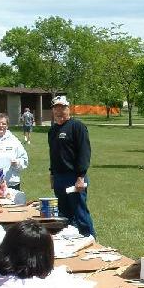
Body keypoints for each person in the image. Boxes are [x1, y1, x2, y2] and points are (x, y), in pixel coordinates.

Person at [48, 95, 95, 237]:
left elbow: (84, 153)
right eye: (56, 108)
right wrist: (52, 174)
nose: (59, 111)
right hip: (59, 178)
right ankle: (71, 239)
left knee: (79, 211)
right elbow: (53, 154)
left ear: (68, 109)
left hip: (74, 177)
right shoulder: (52, 130)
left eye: (62, 108)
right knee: (64, 213)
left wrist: (81, 177)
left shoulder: (77, 127)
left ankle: (90, 238)